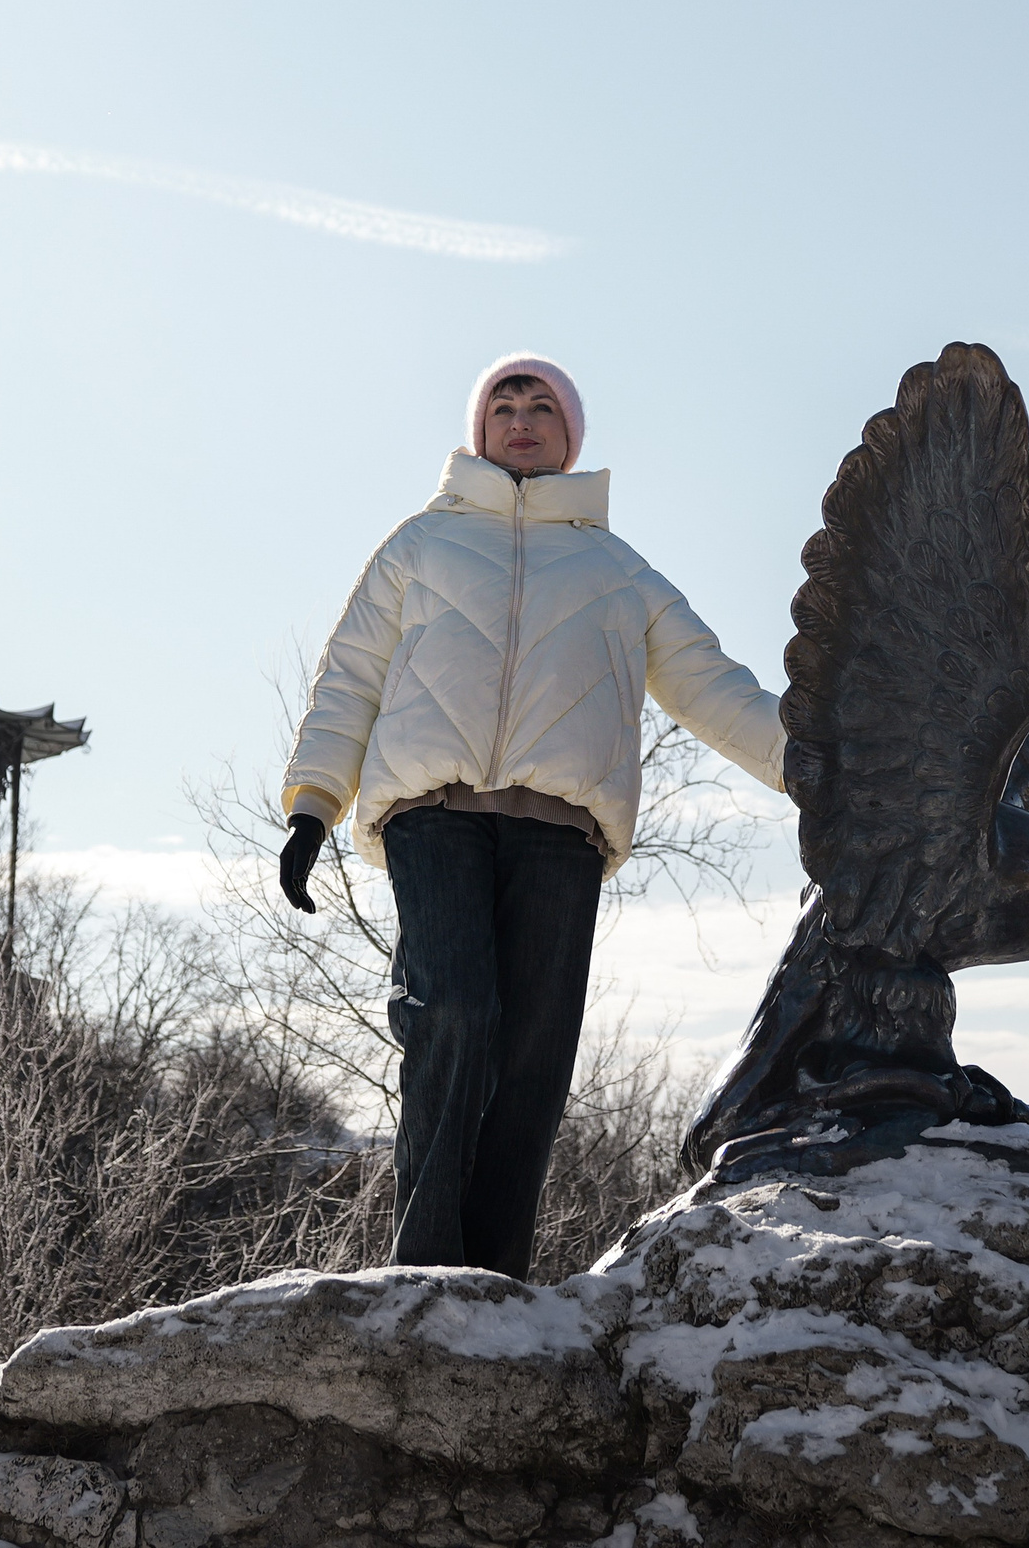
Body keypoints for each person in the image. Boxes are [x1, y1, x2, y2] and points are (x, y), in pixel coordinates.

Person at [278, 353, 786, 1277]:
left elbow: (716, 689)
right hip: (433, 814)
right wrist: (315, 804)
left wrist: (822, 770)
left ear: (569, 431)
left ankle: (495, 1281)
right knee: (455, 1012)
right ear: (478, 430)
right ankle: (426, 1268)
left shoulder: (616, 568)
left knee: (533, 1058)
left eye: (540, 404)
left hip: (561, 830)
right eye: (503, 404)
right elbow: (350, 673)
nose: (520, 417)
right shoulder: (420, 545)